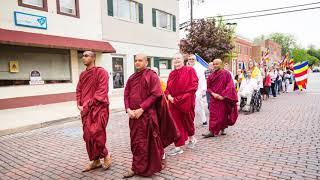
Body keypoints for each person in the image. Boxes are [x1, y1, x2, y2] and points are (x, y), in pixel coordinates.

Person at [123, 54, 164, 178]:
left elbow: (156, 94)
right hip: (133, 117)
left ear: (146, 62)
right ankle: (136, 167)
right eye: (136, 60)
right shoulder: (131, 78)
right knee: (136, 143)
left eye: (140, 60)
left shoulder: (151, 76)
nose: (137, 63)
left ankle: (149, 168)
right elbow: (126, 94)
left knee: (149, 143)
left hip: (147, 116)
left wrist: (142, 108)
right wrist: (128, 109)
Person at [76, 51, 112, 172]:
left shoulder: (101, 72)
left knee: (96, 133)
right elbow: (79, 90)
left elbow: (102, 91)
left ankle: (106, 155)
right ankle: (96, 161)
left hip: (99, 108)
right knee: (87, 136)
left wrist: (87, 104)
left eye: (86, 56)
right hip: (85, 110)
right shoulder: (82, 75)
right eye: (83, 56)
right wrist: (79, 104)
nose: (83, 58)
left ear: (93, 58)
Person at [165, 53, 198, 155]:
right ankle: (178, 146)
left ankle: (192, 138)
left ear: (183, 60)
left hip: (186, 102)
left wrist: (178, 99)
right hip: (173, 103)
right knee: (175, 124)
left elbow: (193, 87)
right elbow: (167, 88)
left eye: (178, 58)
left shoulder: (190, 70)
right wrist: (169, 96)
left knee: (188, 122)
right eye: (174, 59)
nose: (176, 60)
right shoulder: (172, 73)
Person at [202, 59, 238, 138]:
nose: (215, 65)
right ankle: (211, 131)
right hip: (214, 98)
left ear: (221, 64)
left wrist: (223, 96)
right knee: (213, 114)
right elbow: (209, 87)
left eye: (217, 64)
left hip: (223, 98)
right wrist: (213, 94)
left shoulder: (226, 74)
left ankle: (222, 128)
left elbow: (230, 86)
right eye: (214, 64)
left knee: (223, 114)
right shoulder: (211, 76)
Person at [187, 54, 208, 126]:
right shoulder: (186, 68)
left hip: (198, 89)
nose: (191, 60)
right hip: (188, 90)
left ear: (195, 60)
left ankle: (203, 120)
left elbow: (202, 79)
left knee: (199, 105)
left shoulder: (199, 68)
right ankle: (193, 122)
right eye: (190, 59)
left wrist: (203, 89)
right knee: (191, 106)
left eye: (193, 59)